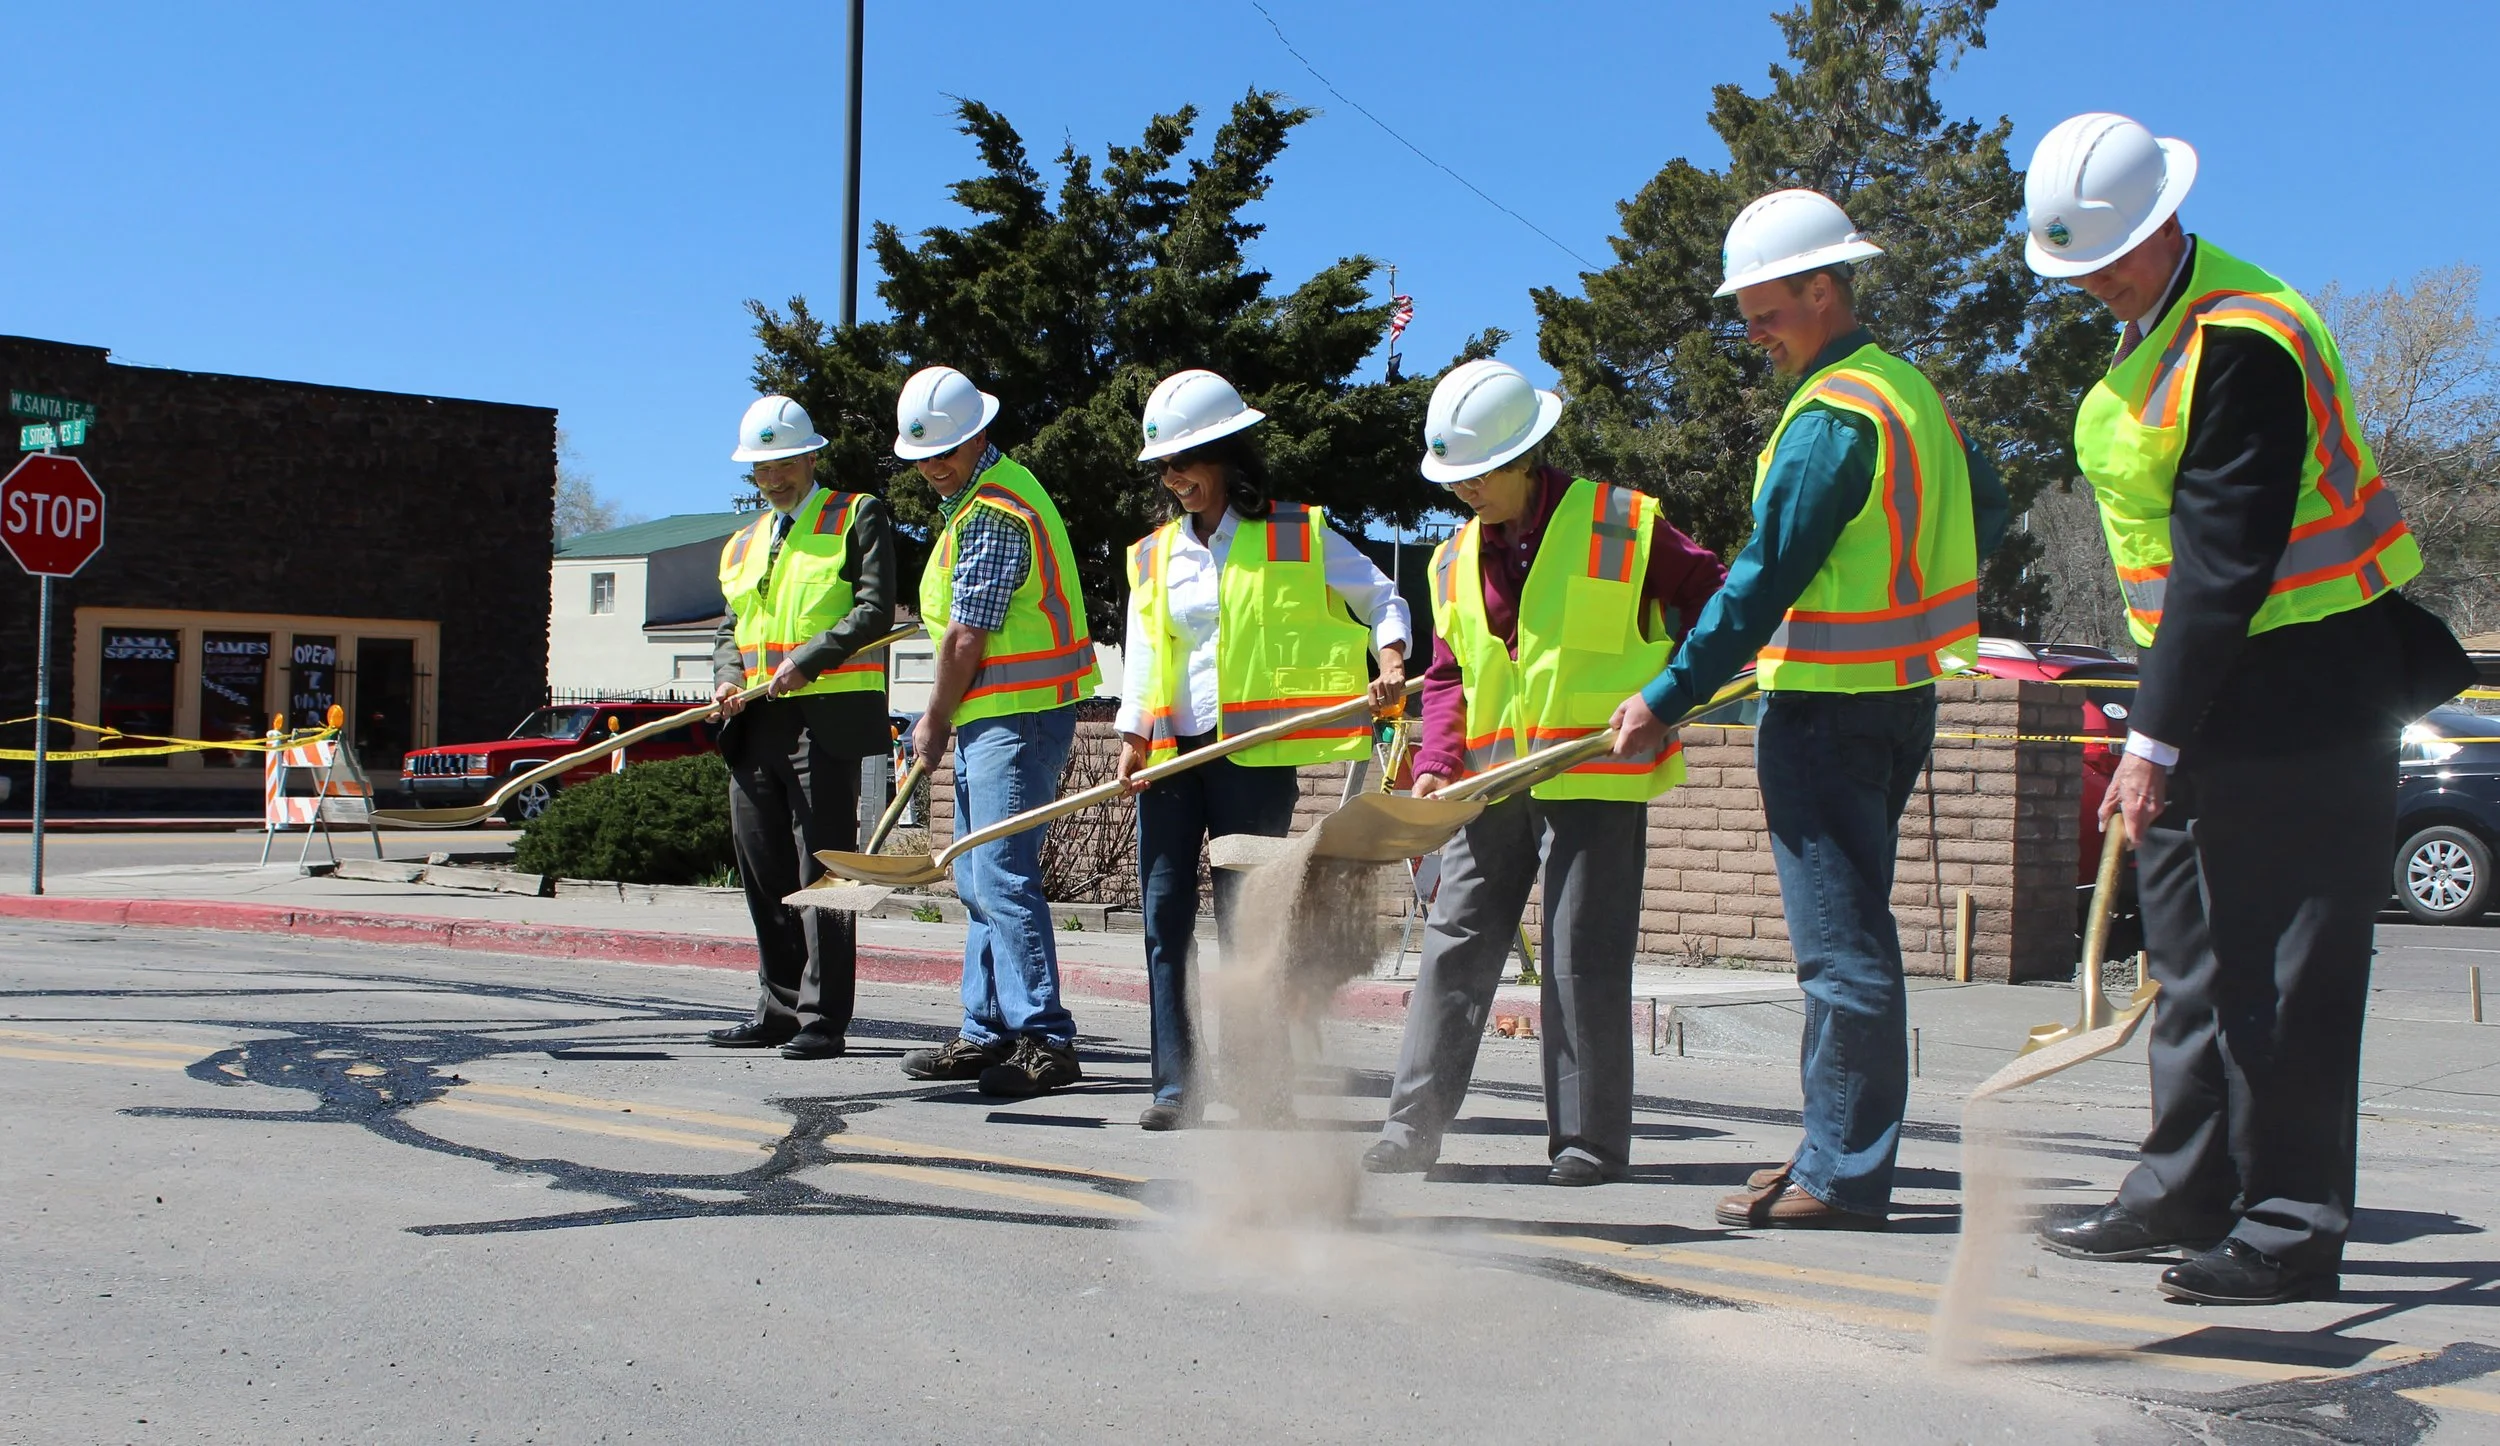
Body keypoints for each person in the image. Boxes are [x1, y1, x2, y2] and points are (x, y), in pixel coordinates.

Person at [2019, 114, 2454, 1304]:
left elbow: (2226, 556)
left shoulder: (2243, 338)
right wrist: (2161, 718)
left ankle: (2288, 1223)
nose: (2091, 284)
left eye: (2104, 257)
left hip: (2308, 690)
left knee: (2287, 970)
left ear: (2164, 220)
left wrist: (2149, 743)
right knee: (2194, 958)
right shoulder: (2155, 333)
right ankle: (2186, 1189)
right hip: (2207, 689)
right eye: (2072, 269)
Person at [1617, 190, 2008, 1229]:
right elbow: (1991, 507)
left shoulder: (1833, 417)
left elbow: (1760, 580)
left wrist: (1667, 694)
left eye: (1764, 308)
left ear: (1822, 287)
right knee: (1849, 944)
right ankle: (1824, 1151)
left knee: (1840, 954)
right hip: (1894, 700)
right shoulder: (1908, 392)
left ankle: (1842, 1173)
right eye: (1742, 311)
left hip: (1828, 711)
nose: (1750, 330)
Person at [1361, 359, 1726, 1187]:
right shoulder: (1450, 558)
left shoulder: (1624, 523)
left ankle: (1587, 1144)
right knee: (1454, 946)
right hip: (1488, 783)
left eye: (1480, 473)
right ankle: (1409, 1128)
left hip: (1597, 773)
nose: (1466, 492)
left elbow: (1716, 599)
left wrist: (1673, 693)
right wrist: (1436, 764)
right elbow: (1451, 674)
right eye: (1455, 478)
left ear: (1526, 454)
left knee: (1580, 958)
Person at [1114, 369, 1413, 1132]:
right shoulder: (1150, 556)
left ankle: (1260, 1083)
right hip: (1171, 754)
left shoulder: (1298, 533)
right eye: (1165, 468)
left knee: (1250, 922)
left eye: (1188, 462)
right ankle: (1176, 1084)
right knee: (1163, 915)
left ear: (1227, 456)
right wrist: (1130, 735)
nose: (1176, 479)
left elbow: (1381, 596)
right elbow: (1146, 654)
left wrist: (1389, 660)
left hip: (1255, 755)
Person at [889, 365, 1103, 1098]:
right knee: (979, 876)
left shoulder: (991, 511)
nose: (931, 470)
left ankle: (1045, 1039)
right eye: (922, 458)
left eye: (943, 453)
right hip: (999, 715)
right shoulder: (977, 501)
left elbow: (965, 638)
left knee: (1003, 876)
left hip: (1016, 715)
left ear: (978, 433)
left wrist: (934, 716)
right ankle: (986, 1032)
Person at [705, 395, 899, 1060]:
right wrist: (728, 677)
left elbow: (875, 610)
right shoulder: (742, 544)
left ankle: (824, 1018)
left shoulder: (855, 515)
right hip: (753, 720)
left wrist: (804, 662)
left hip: (823, 721)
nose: (774, 477)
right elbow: (730, 626)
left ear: (811, 456)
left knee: (825, 869)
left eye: (784, 463)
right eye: (761, 468)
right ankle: (779, 1007)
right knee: (762, 868)